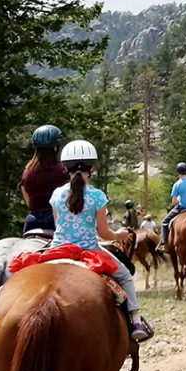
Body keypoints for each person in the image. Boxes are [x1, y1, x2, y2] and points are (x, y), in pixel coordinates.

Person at [49, 139, 150, 342]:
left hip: (58, 250)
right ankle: (136, 321)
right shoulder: (97, 196)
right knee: (125, 277)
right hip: (88, 251)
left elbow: (58, 226)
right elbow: (104, 233)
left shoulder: (57, 194)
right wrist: (120, 235)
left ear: (64, 167)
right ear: (92, 167)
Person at [20, 124, 68, 234]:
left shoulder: (27, 171)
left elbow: (28, 202)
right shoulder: (62, 170)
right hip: (55, 220)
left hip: (32, 221)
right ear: (55, 147)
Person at [160, 162, 186, 247]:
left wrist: (180, 199)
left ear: (177, 172)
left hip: (182, 208)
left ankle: (165, 244)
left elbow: (174, 202)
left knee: (164, 222)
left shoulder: (177, 184)